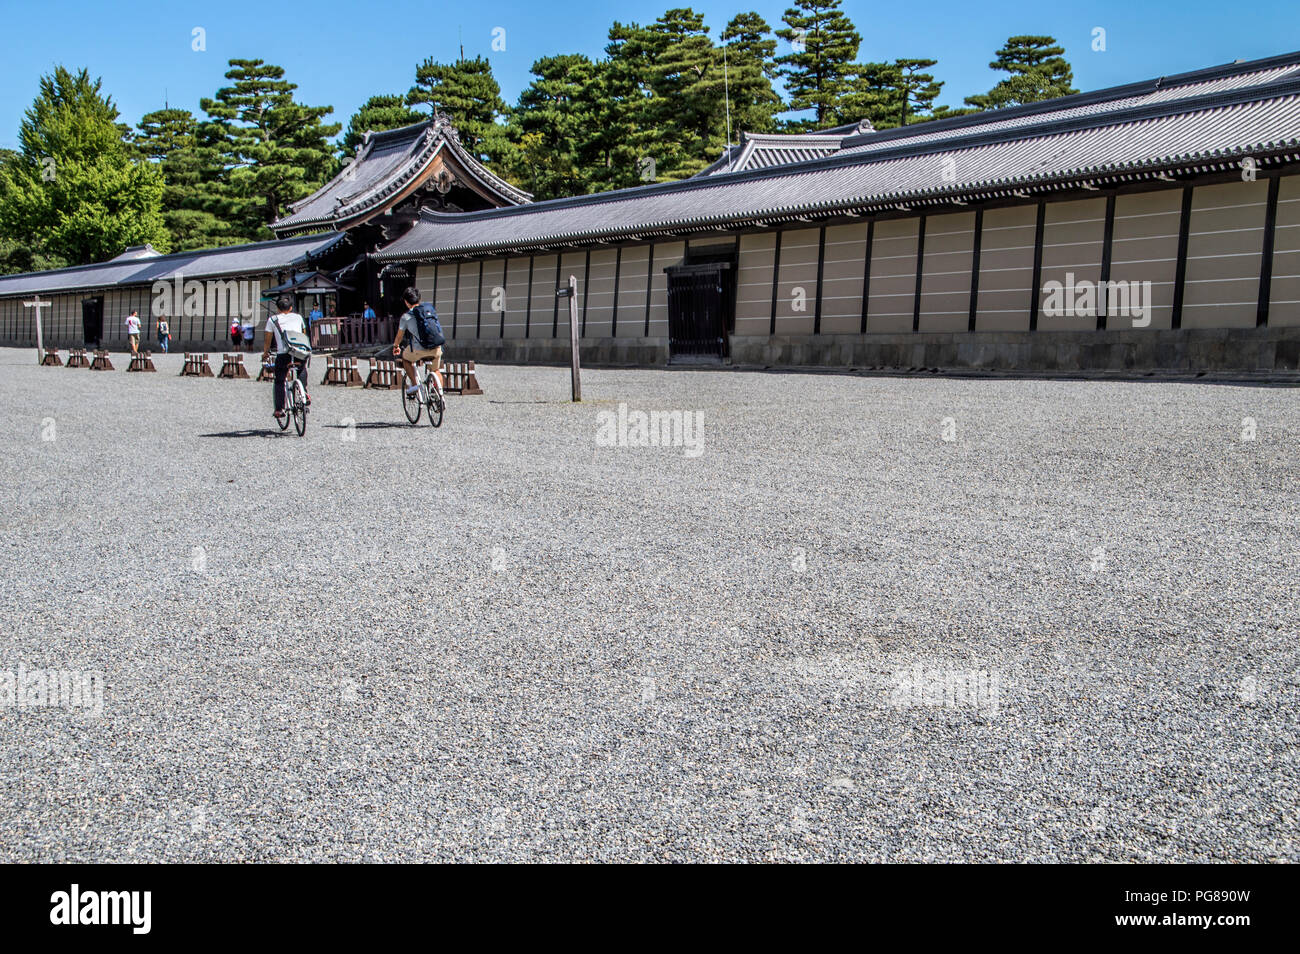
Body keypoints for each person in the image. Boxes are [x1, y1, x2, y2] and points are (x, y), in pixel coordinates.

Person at [262, 295, 311, 421]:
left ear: (277, 308)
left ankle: (279, 409)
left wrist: (265, 353)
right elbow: (303, 333)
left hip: (283, 354)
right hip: (299, 352)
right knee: (301, 369)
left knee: (280, 379)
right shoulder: (298, 317)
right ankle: (304, 393)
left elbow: (268, 339)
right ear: (291, 308)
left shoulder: (272, 319)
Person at [392, 287, 445, 398]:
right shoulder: (429, 310)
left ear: (406, 302)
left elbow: (399, 336)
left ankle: (415, 385)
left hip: (418, 351)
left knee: (405, 358)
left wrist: (396, 346)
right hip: (436, 348)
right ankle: (439, 395)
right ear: (419, 299)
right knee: (436, 370)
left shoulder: (406, 317)